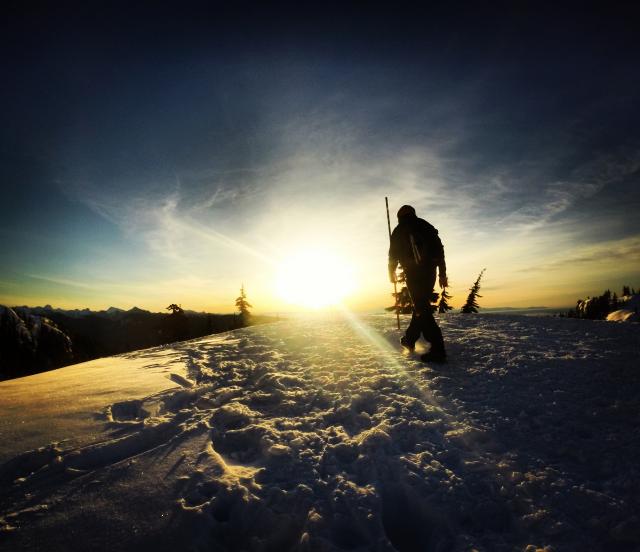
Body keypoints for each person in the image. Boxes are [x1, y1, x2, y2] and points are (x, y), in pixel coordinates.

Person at [388, 205, 448, 363]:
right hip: (430, 273)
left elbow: (393, 254)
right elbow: (439, 251)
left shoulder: (399, 230)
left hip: (413, 274)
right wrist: (442, 274)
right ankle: (409, 339)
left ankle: (438, 349)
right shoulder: (426, 226)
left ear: (400, 216)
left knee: (422, 309)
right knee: (421, 307)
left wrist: (391, 272)